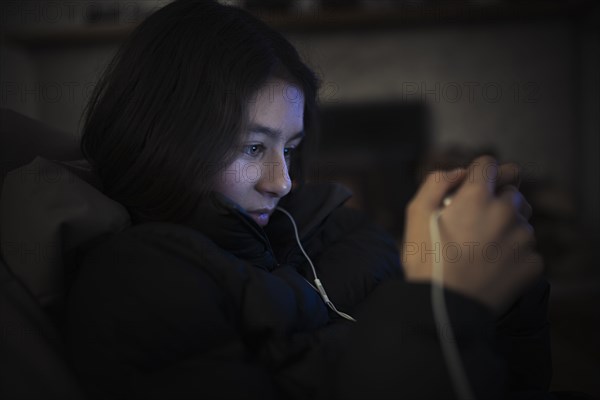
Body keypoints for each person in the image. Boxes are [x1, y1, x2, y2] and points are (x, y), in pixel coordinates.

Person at [66, 1, 551, 399]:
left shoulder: (328, 224)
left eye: (290, 149)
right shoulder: (135, 279)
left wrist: (503, 294)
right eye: (253, 147)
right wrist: (449, 306)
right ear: (166, 139)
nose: (283, 182)